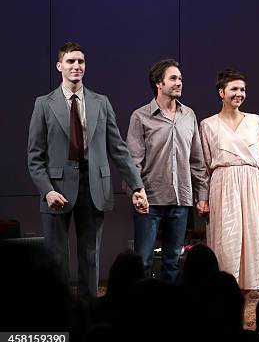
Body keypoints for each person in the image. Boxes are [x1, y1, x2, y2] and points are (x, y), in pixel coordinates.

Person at [27, 42, 148, 299]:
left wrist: (137, 186)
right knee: (56, 258)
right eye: (70, 61)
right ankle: (59, 313)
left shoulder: (100, 102)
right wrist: (47, 191)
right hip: (56, 190)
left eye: (80, 61)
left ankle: (87, 312)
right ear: (59, 66)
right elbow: (35, 158)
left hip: (93, 186)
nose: (76, 66)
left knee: (90, 256)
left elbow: (118, 149)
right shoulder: (44, 104)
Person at [126, 59, 208, 284]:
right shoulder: (140, 116)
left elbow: (197, 160)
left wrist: (202, 196)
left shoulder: (188, 115)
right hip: (149, 200)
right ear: (158, 83)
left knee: (173, 260)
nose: (179, 82)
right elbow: (133, 160)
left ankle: (168, 311)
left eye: (180, 78)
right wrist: (135, 191)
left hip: (180, 199)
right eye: (173, 78)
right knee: (143, 261)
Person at [199, 69, 259, 290]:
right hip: (223, 186)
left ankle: (249, 288)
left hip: (251, 186)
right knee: (226, 242)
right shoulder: (208, 124)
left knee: (251, 238)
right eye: (234, 89)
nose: (239, 93)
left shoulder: (255, 121)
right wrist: (202, 198)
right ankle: (224, 289)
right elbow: (203, 166)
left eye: (242, 89)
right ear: (222, 92)